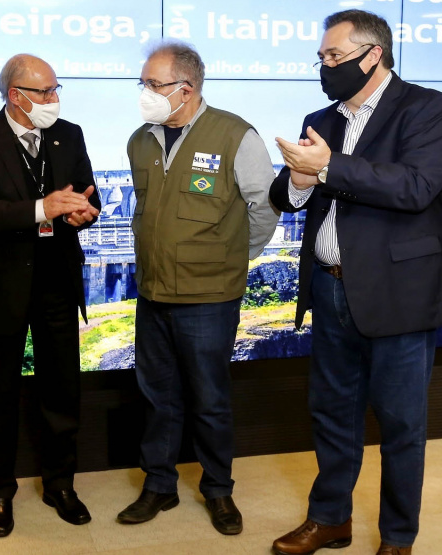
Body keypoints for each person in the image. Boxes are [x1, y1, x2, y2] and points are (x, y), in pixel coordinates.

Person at [269, 10, 442, 555]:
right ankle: (330, 519)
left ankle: (398, 537)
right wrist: (302, 179)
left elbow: (416, 187)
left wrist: (328, 168)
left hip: (398, 295)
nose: (324, 68)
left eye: (334, 57)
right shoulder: (320, 118)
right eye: (322, 58)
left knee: (401, 426)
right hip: (330, 289)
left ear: (372, 55)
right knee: (331, 415)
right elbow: (289, 196)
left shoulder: (428, 109)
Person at [117, 41, 279, 535]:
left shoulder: (235, 135)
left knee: (209, 398)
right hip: (153, 291)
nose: (144, 92)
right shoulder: (140, 140)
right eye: (143, 83)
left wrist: (233, 258)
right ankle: (159, 485)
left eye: (153, 84)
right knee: (157, 395)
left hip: (210, 296)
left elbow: (265, 208)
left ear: (184, 89)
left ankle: (219, 491)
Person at [0, 53, 101, 538]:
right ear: (16, 96)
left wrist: (84, 211)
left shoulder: (69, 134)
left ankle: (61, 484)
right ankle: (0, 493)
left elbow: (87, 193)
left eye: (57, 90)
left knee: (62, 388)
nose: (54, 100)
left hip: (58, 279)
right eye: (46, 92)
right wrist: (41, 208)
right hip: (2, 285)